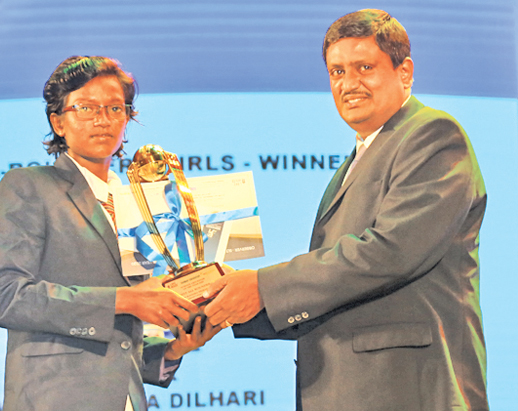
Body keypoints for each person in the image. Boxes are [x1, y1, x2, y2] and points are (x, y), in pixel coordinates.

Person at [204, 9, 489, 411]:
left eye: (364, 67)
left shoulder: (432, 135)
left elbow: (390, 253)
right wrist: (221, 304)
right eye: (337, 72)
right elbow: (339, 288)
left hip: (408, 390)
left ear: (404, 72)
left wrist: (262, 287)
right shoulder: (360, 157)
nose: (349, 84)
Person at [0, 56, 221, 411]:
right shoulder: (29, 186)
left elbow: (121, 342)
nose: (103, 119)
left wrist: (173, 348)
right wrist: (128, 299)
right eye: (86, 108)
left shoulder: (136, 202)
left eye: (114, 108)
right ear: (58, 122)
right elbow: (6, 297)